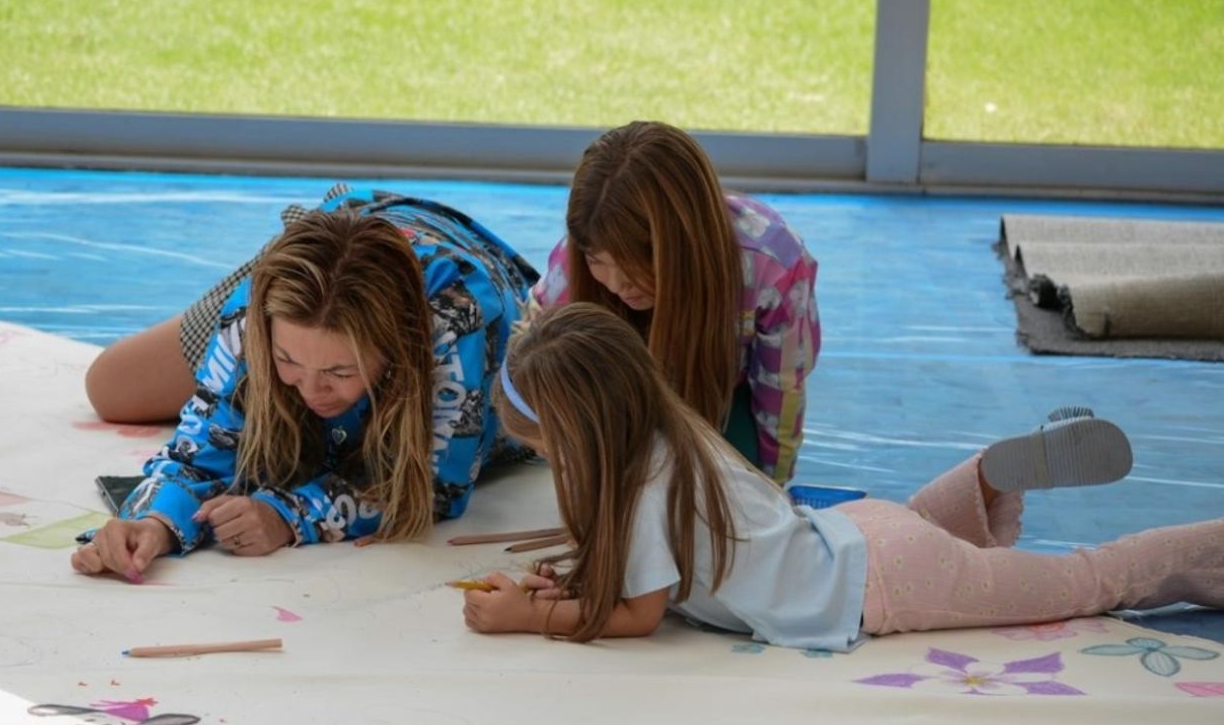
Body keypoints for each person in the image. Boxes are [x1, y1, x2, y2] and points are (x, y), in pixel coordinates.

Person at [460, 304, 1219, 649]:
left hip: (885, 582)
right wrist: (576, 584)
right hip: (861, 533)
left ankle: (1208, 549)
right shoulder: (672, 435)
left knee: (1089, 580)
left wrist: (531, 618)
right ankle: (985, 481)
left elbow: (638, 616)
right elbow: (634, 581)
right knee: (926, 535)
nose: (555, 466)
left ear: (581, 436)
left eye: (549, 451)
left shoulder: (640, 492)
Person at [72, 187, 538, 582]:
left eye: (339, 372)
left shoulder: (458, 321)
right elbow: (199, 453)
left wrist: (287, 514)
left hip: (464, 269)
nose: (313, 392)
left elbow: (434, 487)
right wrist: (155, 521)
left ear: (400, 349)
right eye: (286, 361)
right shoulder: (257, 303)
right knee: (110, 387)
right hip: (328, 242)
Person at [524, 121, 820, 485]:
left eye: (635, 265)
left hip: (723, 399)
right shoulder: (573, 267)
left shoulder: (773, 263)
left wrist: (772, 487)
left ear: (682, 245)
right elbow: (536, 362)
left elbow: (781, 390)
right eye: (597, 260)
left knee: (736, 485)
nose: (617, 285)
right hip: (619, 403)